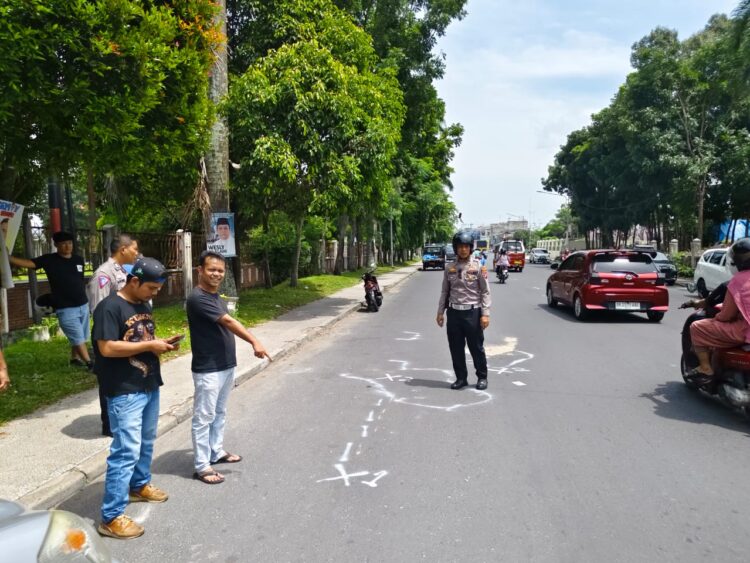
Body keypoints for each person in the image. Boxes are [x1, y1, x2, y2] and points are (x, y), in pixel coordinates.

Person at [94, 257, 180, 539]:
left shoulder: (143, 305)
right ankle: (111, 517)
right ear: (134, 281)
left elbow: (137, 339)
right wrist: (149, 345)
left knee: (146, 440)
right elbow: (106, 348)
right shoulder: (109, 307)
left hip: (147, 383)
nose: (155, 294)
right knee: (125, 450)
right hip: (123, 390)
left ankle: (138, 485)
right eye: (152, 288)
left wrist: (159, 346)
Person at [187, 251, 271, 485]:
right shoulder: (198, 297)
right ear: (200, 271)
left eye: (220, 270)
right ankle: (202, 466)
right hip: (209, 368)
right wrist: (254, 341)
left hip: (225, 365)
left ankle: (216, 451)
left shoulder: (216, 297)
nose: (216, 274)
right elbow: (229, 322)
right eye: (211, 269)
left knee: (219, 413)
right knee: (203, 417)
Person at [9, 231, 92, 368]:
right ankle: (90, 363)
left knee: (81, 336)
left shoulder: (78, 260)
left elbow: (79, 279)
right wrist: (9, 258)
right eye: (63, 244)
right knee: (77, 336)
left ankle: (74, 358)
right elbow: (30, 263)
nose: (67, 246)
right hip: (65, 307)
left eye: (70, 243)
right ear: (56, 245)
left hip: (82, 304)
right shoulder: (50, 260)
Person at [87, 234, 139, 437]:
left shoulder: (125, 271)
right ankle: (109, 425)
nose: (136, 253)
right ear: (123, 249)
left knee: (123, 376)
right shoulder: (104, 274)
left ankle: (122, 420)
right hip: (107, 335)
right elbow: (99, 309)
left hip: (124, 335)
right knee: (109, 378)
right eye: (134, 249)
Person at [686, 238, 750, 386]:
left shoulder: (737, 281)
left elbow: (727, 315)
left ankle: (705, 367)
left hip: (743, 331)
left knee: (697, 327)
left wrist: (717, 318)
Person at [436, 231, 492, 390]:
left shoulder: (478, 266)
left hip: (472, 313)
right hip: (454, 313)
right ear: (455, 248)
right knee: (455, 347)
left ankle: (482, 377)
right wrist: (440, 312)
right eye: (460, 246)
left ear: (470, 248)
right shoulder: (449, 268)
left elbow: (485, 291)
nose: (463, 250)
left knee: (476, 347)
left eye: (466, 247)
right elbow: (444, 292)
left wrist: (485, 314)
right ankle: (461, 378)